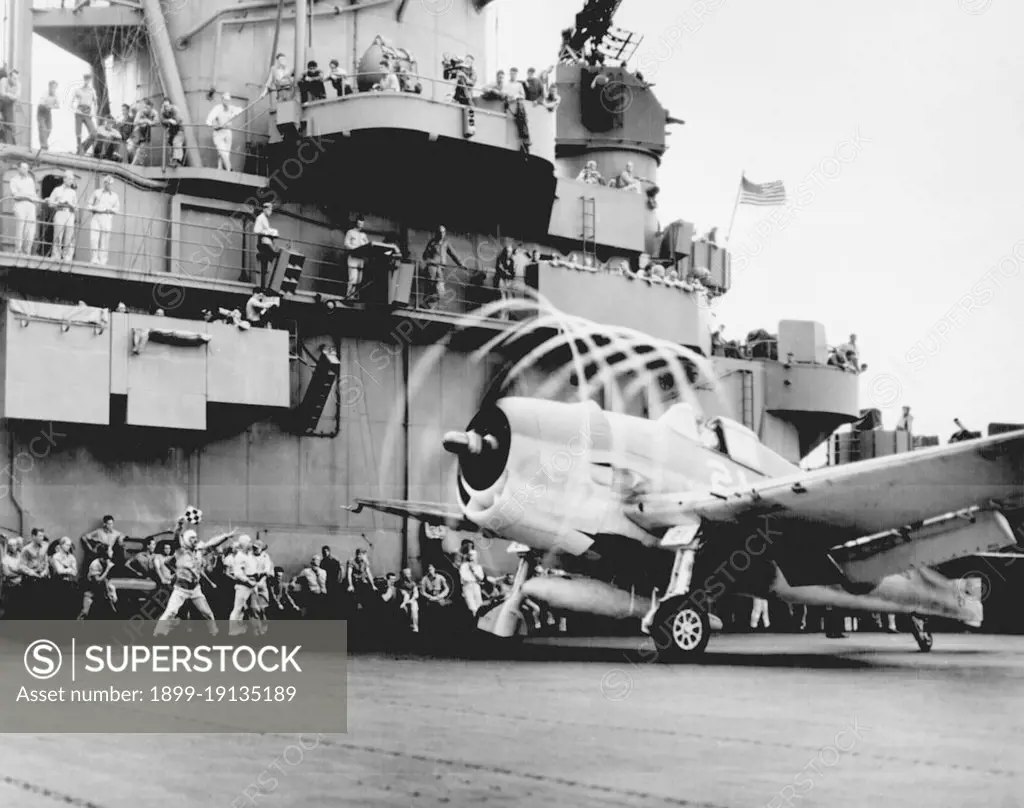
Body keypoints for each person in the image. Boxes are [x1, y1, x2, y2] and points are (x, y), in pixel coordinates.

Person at [153, 526, 239, 636]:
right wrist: (179, 527)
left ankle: (214, 633)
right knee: (171, 612)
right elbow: (175, 538)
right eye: (192, 538)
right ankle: (157, 633)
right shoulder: (180, 551)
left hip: (195, 589)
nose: (195, 540)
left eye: (196, 537)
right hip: (181, 588)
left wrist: (225, 537)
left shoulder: (199, 551)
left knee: (207, 613)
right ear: (187, 540)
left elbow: (212, 543)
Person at [421, 224, 464, 308]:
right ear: (437, 233)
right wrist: (429, 257)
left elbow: (453, 254)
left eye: (443, 232)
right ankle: (426, 304)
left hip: (440, 268)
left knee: (440, 288)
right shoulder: (432, 242)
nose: (441, 234)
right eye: (440, 232)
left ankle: (432, 304)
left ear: (445, 233)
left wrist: (461, 264)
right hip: (432, 267)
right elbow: (425, 256)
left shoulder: (446, 243)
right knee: (430, 285)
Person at [46, 171, 79, 262]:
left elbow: (76, 207)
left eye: (72, 179)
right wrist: (58, 203)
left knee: (69, 236)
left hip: (69, 214)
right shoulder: (57, 190)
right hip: (60, 212)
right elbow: (50, 203)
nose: (71, 181)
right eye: (69, 178)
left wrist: (71, 205)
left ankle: (67, 257)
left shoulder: (73, 192)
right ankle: (56, 255)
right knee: (58, 235)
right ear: (64, 179)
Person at [87, 175, 120, 266]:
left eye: (111, 184)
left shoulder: (115, 196)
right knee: (94, 238)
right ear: (104, 183)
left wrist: (111, 210)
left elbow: (117, 209)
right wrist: (95, 208)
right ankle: (94, 258)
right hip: (96, 216)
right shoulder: (97, 193)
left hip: (107, 217)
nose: (109, 185)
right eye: (107, 183)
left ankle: (103, 260)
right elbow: (89, 205)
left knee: (105, 240)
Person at [78, 545, 116, 619]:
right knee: (85, 612)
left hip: (102, 592)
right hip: (91, 592)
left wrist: (111, 592)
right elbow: (98, 580)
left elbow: (107, 580)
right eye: (110, 550)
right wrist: (108, 569)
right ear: (105, 552)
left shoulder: (107, 562)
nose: (112, 552)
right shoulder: (95, 564)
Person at [206, 92, 242, 171]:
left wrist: (234, 114)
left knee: (226, 151)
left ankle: (220, 167)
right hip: (218, 133)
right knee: (222, 151)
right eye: (225, 100)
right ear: (222, 100)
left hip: (228, 132)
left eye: (228, 100)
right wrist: (217, 124)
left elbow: (240, 110)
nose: (227, 102)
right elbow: (208, 121)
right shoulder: (217, 109)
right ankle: (229, 168)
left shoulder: (231, 108)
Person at [9, 162, 39, 256]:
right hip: (20, 204)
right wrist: (27, 195)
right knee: (20, 226)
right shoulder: (14, 180)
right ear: (19, 168)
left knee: (30, 229)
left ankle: (27, 251)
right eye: (24, 168)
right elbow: (15, 195)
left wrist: (25, 195)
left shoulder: (30, 180)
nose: (26, 170)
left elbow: (33, 195)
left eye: (27, 168)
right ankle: (18, 249)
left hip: (30, 205)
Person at [71, 74, 98, 154]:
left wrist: (94, 113)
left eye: (88, 79)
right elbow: (71, 102)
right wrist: (76, 109)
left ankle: (83, 147)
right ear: (83, 79)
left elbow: (96, 103)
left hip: (88, 113)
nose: (87, 81)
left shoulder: (92, 91)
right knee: (78, 133)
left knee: (94, 134)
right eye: (85, 79)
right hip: (79, 112)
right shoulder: (77, 89)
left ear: (90, 80)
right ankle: (80, 149)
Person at [344, 216, 369, 299]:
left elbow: (368, 245)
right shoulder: (350, 232)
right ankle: (349, 296)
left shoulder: (363, 235)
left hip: (360, 260)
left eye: (362, 223)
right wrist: (354, 249)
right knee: (353, 279)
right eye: (359, 223)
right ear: (356, 223)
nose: (361, 225)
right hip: (353, 258)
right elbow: (346, 244)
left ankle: (356, 296)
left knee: (359, 280)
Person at [253, 202, 280, 283]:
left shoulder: (264, 219)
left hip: (267, 244)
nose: (270, 212)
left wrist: (272, 232)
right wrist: (267, 232)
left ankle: (266, 283)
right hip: (264, 244)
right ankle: (272, 281)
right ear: (265, 209)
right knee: (276, 258)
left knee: (267, 263)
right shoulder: (260, 218)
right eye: (270, 210)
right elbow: (256, 230)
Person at [459, 548, 487, 617]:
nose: (471, 556)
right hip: (467, 586)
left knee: (479, 604)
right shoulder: (464, 566)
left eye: (473, 555)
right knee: (471, 605)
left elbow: (481, 578)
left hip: (476, 585)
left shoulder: (478, 567)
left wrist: (473, 571)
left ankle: (478, 619)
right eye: (470, 555)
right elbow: (463, 577)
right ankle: (473, 619)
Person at [130, 99, 158, 165]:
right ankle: (137, 162)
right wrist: (145, 120)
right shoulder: (140, 112)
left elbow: (156, 122)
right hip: (138, 133)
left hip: (146, 135)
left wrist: (150, 122)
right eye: (145, 107)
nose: (145, 109)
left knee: (141, 150)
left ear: (151, 108)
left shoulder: (154, 113)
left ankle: (133, 165)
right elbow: (135, 122)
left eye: (147, 108)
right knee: (131, 149)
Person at [160, 98, 185, 167]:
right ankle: (172, 161)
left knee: (176, 143)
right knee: (171, 146)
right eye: (165, 106)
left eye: (167, 106)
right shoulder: (163, 111)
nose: (166, 108)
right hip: (171, 131)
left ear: (171, 105)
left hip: (179, 130)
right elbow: (162, 120)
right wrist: (169, 120)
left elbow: (177, 121)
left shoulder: (175, 109)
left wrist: (169, 120)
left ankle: (177, 161)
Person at [0, 67, 21, 144]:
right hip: (0, 100)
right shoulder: (3, 80)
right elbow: (2, 93)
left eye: (17, 78)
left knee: (9, 123)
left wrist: (8, 94)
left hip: (8, 103)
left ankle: (9, 144)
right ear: (9, 76)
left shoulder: (18, 84)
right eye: (14, 78)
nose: (15, 80)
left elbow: (17, 97)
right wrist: (11, 95)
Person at [36, 80, 59, 150]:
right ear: (49, 87)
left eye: (55, 88)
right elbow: (42, 103)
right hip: (41, 111)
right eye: (52, 87)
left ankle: (44, 143)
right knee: (42, 128)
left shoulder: (55, 95)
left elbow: (57, 105)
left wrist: (51, 106)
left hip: (48, 112)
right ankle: (44, 146)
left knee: (49, 129)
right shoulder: (45, 93)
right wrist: (49, 105)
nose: (53, 89)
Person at [396, 568, 420, 632]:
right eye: (406, 574)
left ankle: (414, 626)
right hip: (401, 600)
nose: (408, 575)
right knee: (403, 610)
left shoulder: (413, 583)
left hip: (412, 600)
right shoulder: (398, 583)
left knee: (414, 610)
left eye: (409, 574)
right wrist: (404, 601)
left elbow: (416, 593)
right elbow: (400, 593)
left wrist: (412, 600)